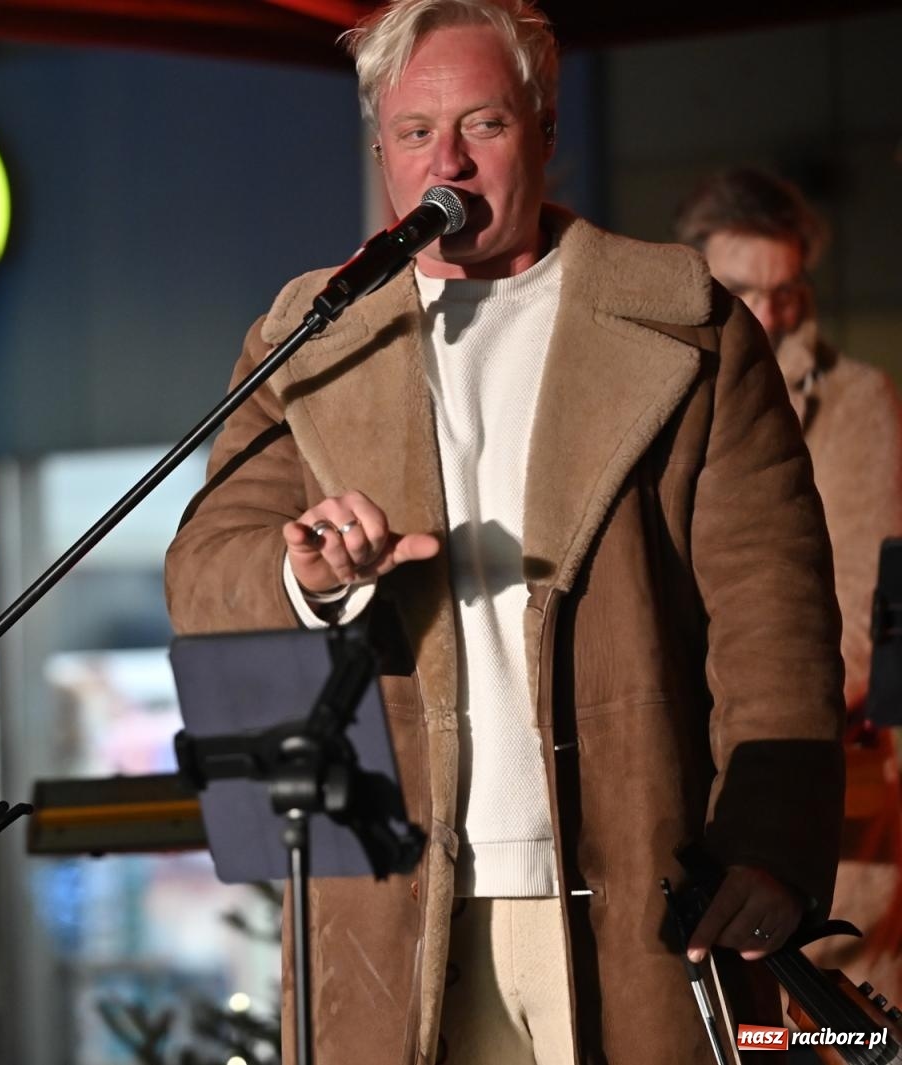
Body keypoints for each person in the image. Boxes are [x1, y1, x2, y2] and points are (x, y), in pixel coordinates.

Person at [164, 1, 846, 1061]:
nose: (448, 162)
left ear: (545, 131)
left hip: (636, 894)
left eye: (482, 124)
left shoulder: (688, 322)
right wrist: (306, 577)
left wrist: (769, 844)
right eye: (412, 132)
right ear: (380, 149)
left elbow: (774, 608)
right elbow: (204, 572)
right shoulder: (306, 337)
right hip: (393, 909)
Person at [678, 167, 902, 996]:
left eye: (785, 291)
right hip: (686, 816)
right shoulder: (672, 391)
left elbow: (860, 634)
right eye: (741, 289)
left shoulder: (854, 402)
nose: (766, 314)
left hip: (823, 821)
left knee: (837, 1036)